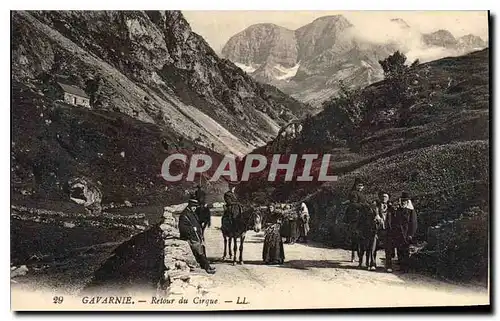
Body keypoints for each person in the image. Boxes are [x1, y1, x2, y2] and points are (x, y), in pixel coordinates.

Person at [178, 198, 216, 274]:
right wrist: (193, 229)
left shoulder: (192, 213)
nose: (195, 208)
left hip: (195, 236)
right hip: (189, 237)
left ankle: (205, 265)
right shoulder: (184, 215)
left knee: (202, 249)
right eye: (193, 206)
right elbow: (182, 228)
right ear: (190, 205)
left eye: (195, 206)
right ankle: (207, 268)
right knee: (199, 250)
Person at [387, 191, 417, 273]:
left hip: (407, 233)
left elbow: (413, 224)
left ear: (408, 202)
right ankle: (401, 266)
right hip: (398, 233)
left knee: (405, 250)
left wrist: (411, 234)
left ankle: (406, 267)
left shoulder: (411, 211)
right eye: (402, 200)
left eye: (405, 201)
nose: (403, 202)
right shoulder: (398, 210)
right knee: (399, 250)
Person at [343, 178, 371, 262]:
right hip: (355, 213)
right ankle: (353, 253)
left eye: (362, 186)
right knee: (355, 233)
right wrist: (363, 206)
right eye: (359, 185)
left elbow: (365, 202)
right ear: (356, 186)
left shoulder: (362, 194)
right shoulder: (353, 193)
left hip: (363, 212)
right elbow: (353, 204)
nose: (360, 187)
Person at [373, 191, 395, 272]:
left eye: (385, 197)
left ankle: (388, 266)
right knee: (373, 247)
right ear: (379, 198)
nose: (383, 198)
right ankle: (373, 264)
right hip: (377, 230)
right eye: (382, 196)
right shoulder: (376, 206)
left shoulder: (391, 208)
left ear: (388, 198)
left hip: (388, 230)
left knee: (388, 249)